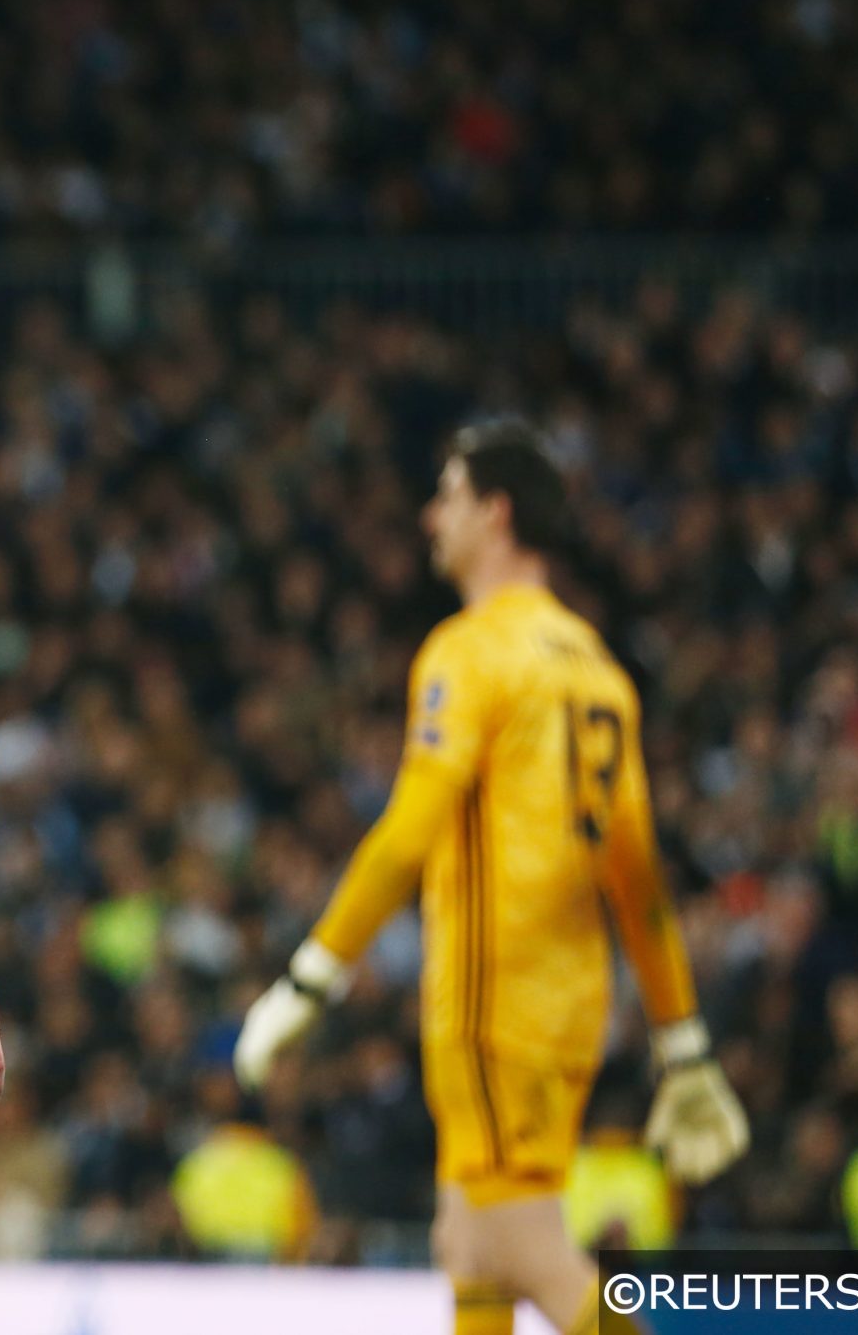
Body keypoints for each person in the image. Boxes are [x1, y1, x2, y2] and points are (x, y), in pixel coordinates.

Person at [235, 420, 750, 1335]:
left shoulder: (471, 652)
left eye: (450, 494)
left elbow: (409, 830)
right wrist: (682, 1038)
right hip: (569, 1007)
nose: (433, 515)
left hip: (492, 1007)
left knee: (519, 1251)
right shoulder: (599, 670)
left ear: (497, 512)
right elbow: (639, 881)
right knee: (470, 1250)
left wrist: (313, 974)